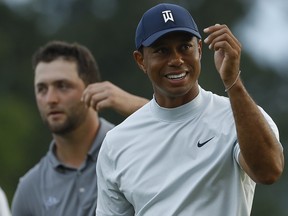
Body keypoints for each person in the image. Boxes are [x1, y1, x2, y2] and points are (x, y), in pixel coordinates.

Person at [95, 3, 284, 216]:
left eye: (185, 47)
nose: (176, 60)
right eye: (162, 51)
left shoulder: (238, 117)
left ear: (200, 50)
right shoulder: (116, 143)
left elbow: (268, 171)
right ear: (141, 61)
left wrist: (233, 81)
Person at [11, 41, 148, 216]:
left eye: (62, 86)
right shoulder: (30, 189)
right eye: (42, 89)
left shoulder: (129, 149)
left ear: (92, 88)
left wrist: (135, 105)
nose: (50, 99)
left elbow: (180, 136)